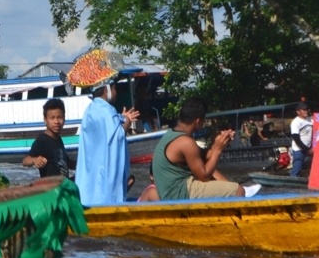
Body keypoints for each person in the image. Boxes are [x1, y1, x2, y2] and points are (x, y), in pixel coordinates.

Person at [74, 57, 139, 206]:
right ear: (106, 90)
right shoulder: (107, 110)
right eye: (114, 88)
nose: (116, 92)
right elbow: (117, 137)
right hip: (105, 174)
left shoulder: (90, 109)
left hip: (92, 170)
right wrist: (127, 120)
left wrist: (121, 118)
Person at [152, 97, 246, 199]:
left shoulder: (172, 134)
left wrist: (220, 142)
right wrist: (218, 150)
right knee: (238, 191)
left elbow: (205, 156)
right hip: (179, 193)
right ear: (198, 121)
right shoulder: (186, 142)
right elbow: (204, 176)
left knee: (223, 181)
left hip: (173, 191)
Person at [23, 98, 74, 178]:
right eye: (52, 118)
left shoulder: (58, 139)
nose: (56, 122)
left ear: (64, 118)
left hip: (63, 184)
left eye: (59, 117)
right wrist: (35, 160)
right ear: (45, 120)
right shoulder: (42, 140)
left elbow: (66, 162)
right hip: (52, 188)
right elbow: (25, 161)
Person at [289, 102, 312, 178]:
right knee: (297, 168)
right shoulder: (296, 122)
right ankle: (293, 179)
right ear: (298, 112)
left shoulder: (310, 120)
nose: (306, 111)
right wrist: (306, 149)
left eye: (307, 109)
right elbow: (296, 138)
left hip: (310, 148)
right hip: (299, 149)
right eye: (304, 110)